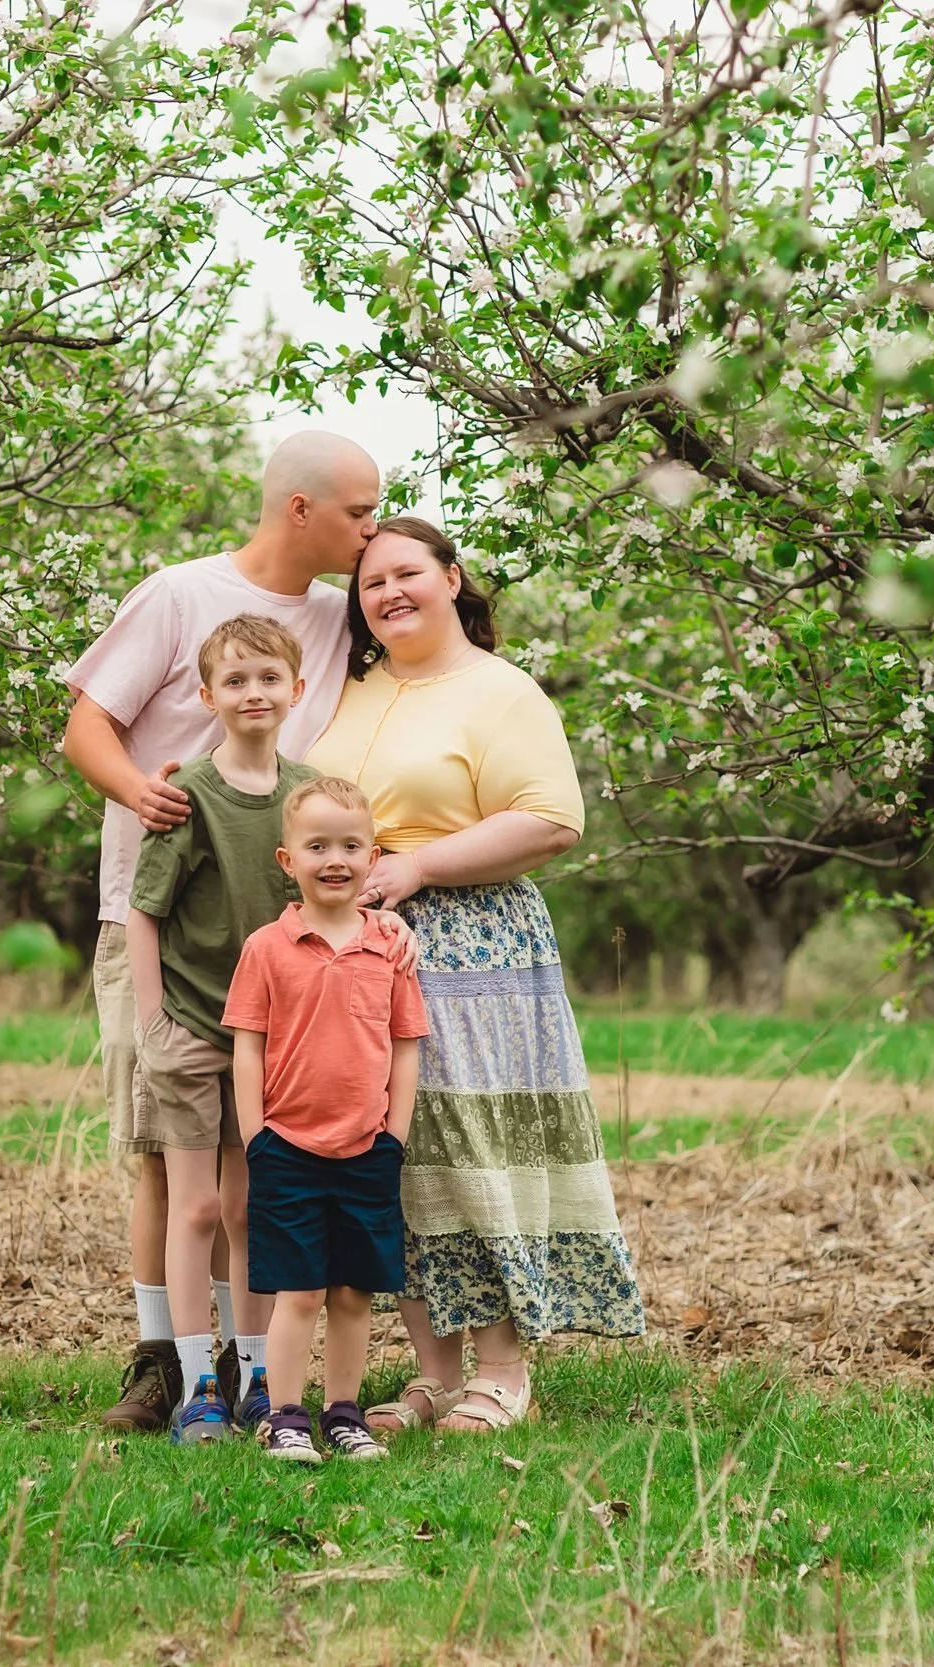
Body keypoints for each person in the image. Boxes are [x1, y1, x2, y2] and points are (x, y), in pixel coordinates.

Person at [61, 431, 377, 1434]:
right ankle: (161, 1359)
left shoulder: (337, 618)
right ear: (300, 509)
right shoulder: (178, 595)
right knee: (164, 1157)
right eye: (358, 512)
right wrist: (139, 795)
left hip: (273, 943)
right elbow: (85, 724)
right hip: (155, 921)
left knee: (256, 1170)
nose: (370, 532)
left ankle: (243, 1369)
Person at [305, 515, 645, 1435]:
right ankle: (432, 1371)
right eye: (371, 583)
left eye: (407, 572)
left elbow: (552, 817)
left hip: (471, 944)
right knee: (395, 1157)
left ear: (453, 579)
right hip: (356, 946)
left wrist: (418, 866)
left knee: (472, 1148)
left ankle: (503, 1369)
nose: (388, 594)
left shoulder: (501, 692)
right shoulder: (352, 690)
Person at [125, 615, 322, 1443]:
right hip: (192, 1028)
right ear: (207, 696)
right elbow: (144, 913)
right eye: (234, 681)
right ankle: (197, 1378)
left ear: (295, 691)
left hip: (266, 1040)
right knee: (196, 1206)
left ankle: (256, 1374)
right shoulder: (187, 796)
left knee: (249, 1207)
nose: (253, 693)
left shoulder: (305, 796)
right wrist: (152, 1023)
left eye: (268, 678)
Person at [225, 776, 427, 1464]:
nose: (334, 858)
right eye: (317, 845)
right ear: (287, 859)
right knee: (301, 1289)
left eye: (349, 844)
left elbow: (405, 1045)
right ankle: (286, 1416)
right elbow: (247, 1043)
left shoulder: (391, 949)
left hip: (369, 1148)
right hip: (288, 1147)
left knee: (352, 1290)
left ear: (374, 857)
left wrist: (394, 1133)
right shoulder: (267, 947)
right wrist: (257, 1135)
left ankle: (344, 1412)